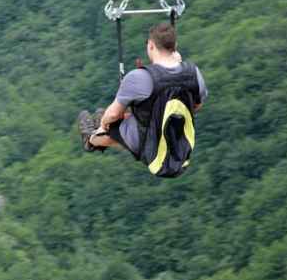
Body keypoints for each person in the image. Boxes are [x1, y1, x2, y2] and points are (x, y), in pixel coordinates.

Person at [78, 23, 207, 177]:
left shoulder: (139, 77)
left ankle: (91, 140)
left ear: (151, 45)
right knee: (132, 116)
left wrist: (105, 124)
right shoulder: (193, 73)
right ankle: (109, 127)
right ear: (175, 46)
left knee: (112, 123)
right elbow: (197, 105)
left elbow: (112, 114)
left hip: (153, 150)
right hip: (180, 148)